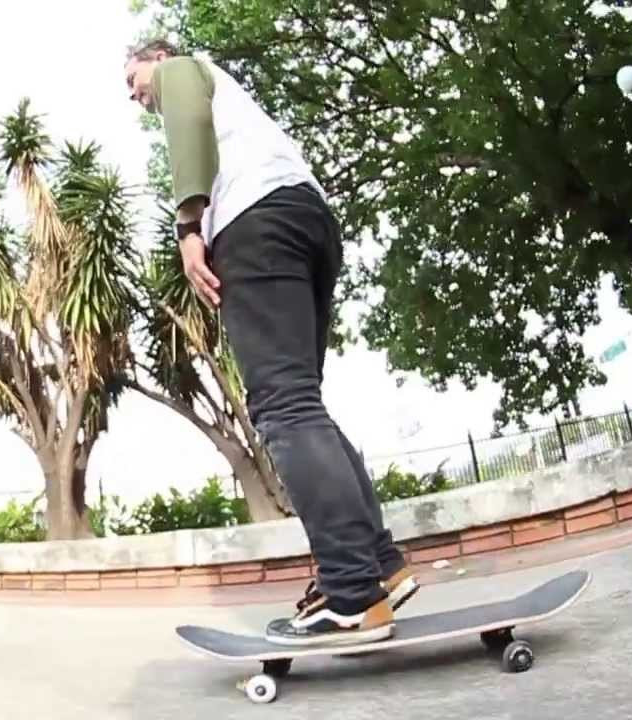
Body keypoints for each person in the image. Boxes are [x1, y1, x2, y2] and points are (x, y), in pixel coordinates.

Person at [122, 39, 418, 646]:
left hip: (255, 223)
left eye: (133, 77)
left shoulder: (183, 69)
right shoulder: (241, 109)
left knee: (283, 405)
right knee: (302, 402)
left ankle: (352, 592)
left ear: (158, 55)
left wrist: (189, 226)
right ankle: (380, 566)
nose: (134, 93)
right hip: (306, 217)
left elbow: (187, 120)